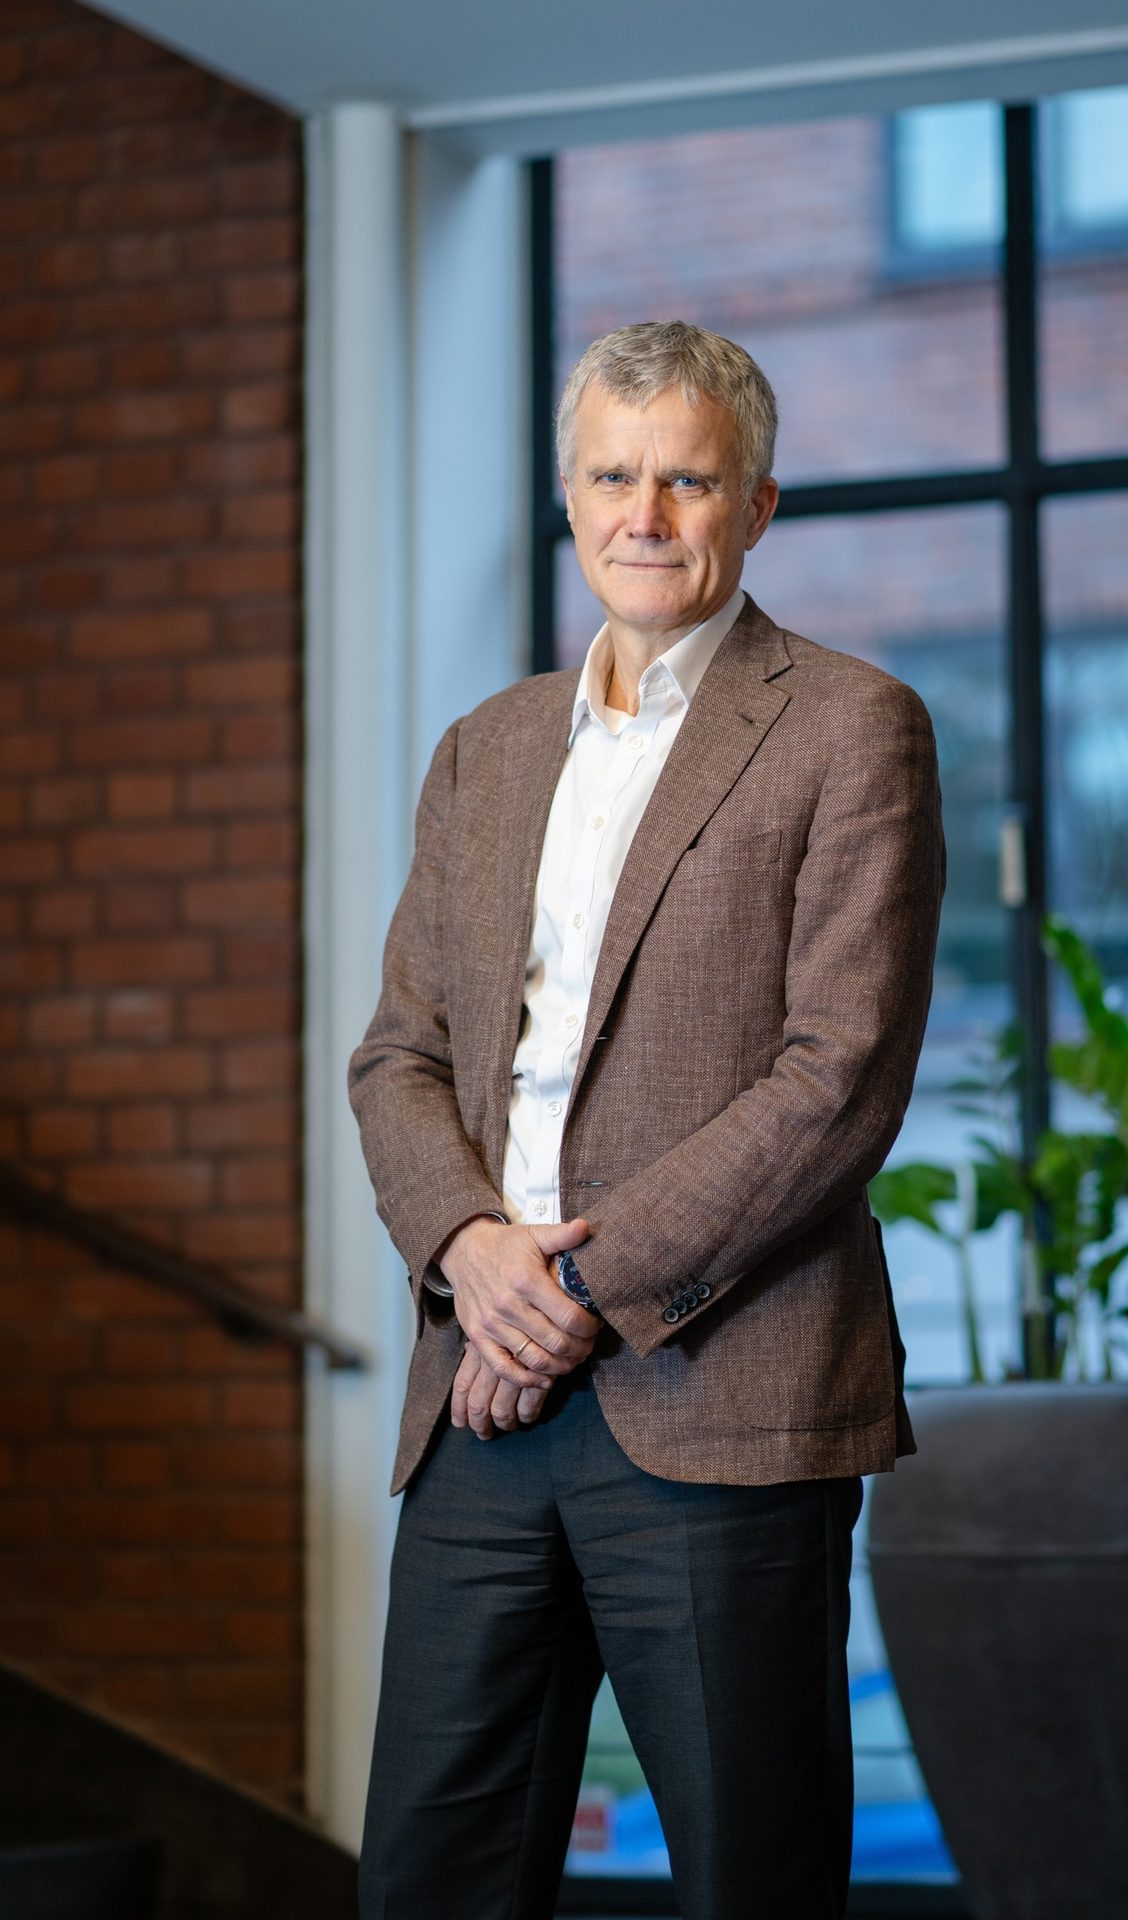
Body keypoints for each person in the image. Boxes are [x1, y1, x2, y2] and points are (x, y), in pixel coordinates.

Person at [349, 320, 945, 1920]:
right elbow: (398, 1057)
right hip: (478, 1413)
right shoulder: (485, 751)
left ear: (756, 506)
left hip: (720, 1399)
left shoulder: (850, 726)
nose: (647, 516)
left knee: (750, 1881)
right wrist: (473, 1254)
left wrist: (571, 1300)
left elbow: (837, 1079)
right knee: (428, 1879)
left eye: (689, 480)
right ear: (569, 497)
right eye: (615, 475)